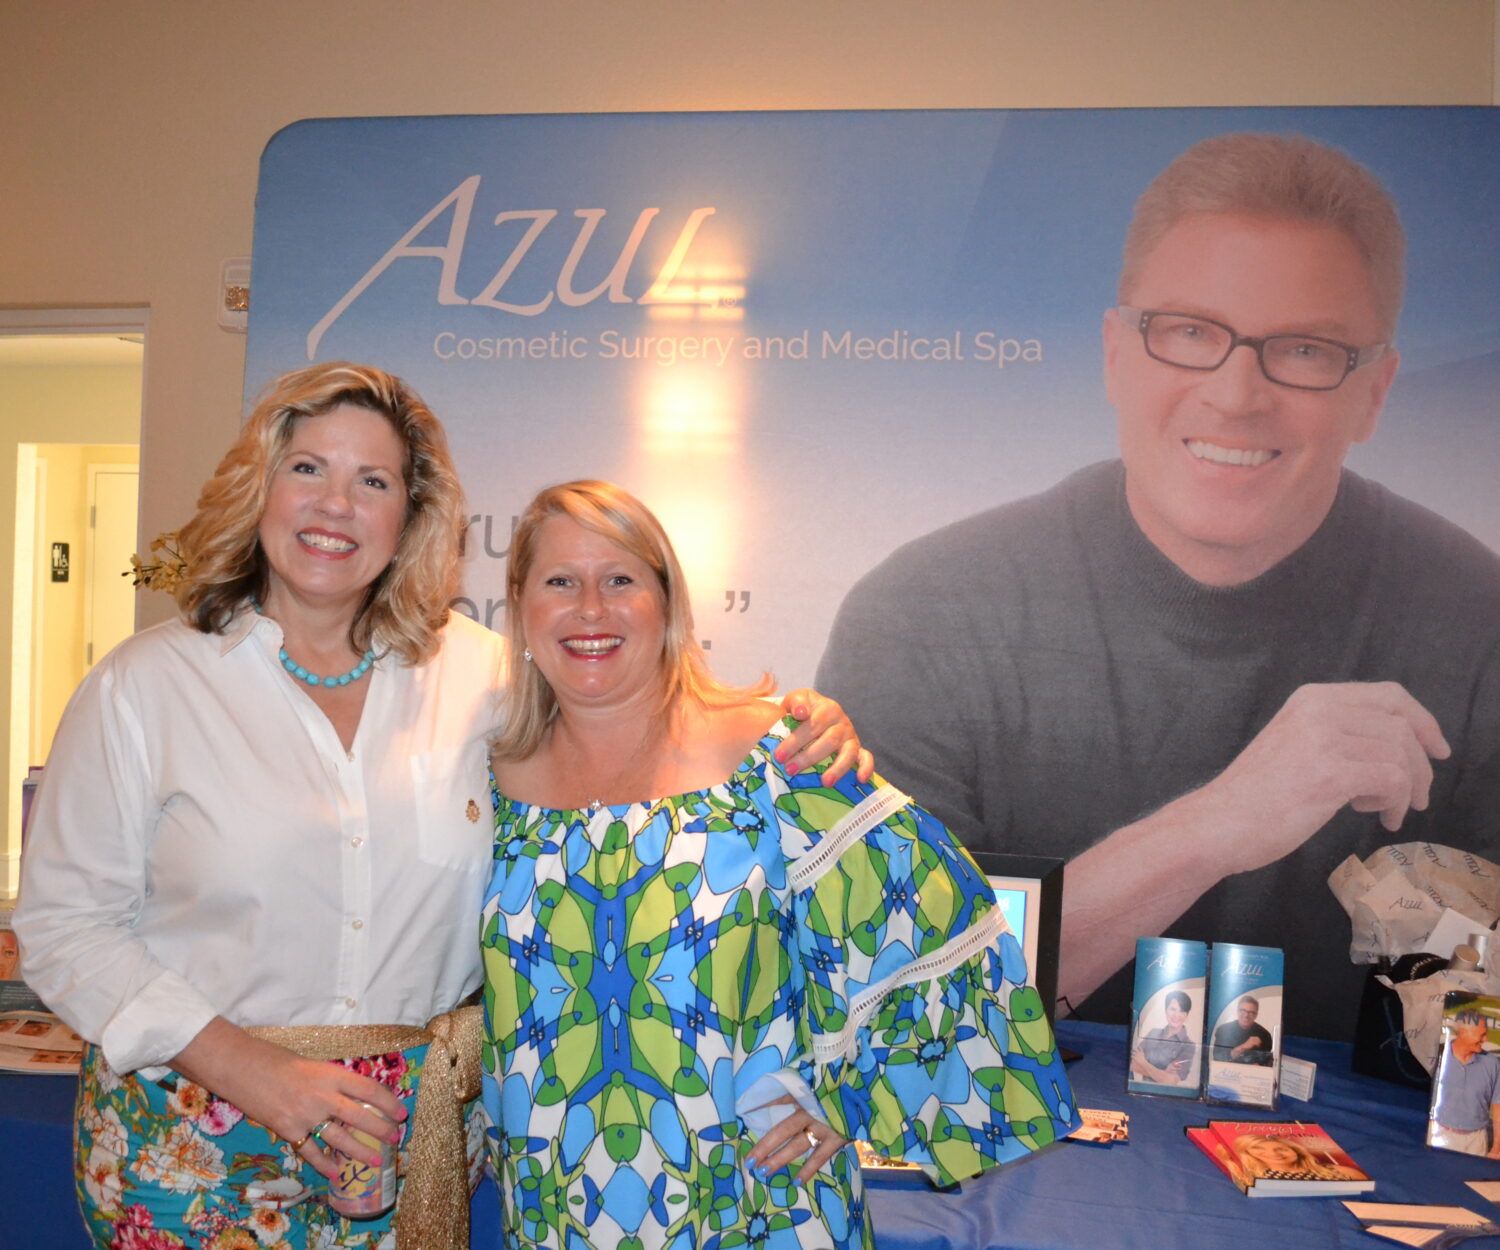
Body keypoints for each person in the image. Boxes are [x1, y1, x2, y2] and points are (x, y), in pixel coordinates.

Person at [13, 363, 866, 1250]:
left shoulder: (484, 676)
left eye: (372, 481)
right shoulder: (144, 688)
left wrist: (784, 728)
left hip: (411, 1142)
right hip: (189, 1137)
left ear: (412, 517)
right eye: (308, 468)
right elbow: (66, 928)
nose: (336, 505)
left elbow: (632, 725)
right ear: (258, 485)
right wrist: (260, 1074)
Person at [816, 130, 1500, 1041]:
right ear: (1115, 354)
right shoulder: (923, 616)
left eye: (1304, 349)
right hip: (986, 1164)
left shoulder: (1476, 623)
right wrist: (1219, 824)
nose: (1236, 394)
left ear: (1374, 392)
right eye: (1189, 333)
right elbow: (882, 1013)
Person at [480, 480, 1077, 1250]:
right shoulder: (487, 784)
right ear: (521, 606)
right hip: (553, 1205)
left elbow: (939, 923)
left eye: (620, 579)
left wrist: (850, 1099)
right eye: (561, 581)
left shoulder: (777, 757)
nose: (591, 608)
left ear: (667, 606)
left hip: (753, 1207)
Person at [1430, 1010, 1500, 1157]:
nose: (1486, 1039)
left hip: (1477, 1141)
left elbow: (1498, 1108)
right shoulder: (1439, 1057)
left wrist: (1496, 1148)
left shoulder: (1493, 1064)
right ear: (1462, 1033)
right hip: (1440, 1135)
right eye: (1481, 1034)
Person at [1220, 1133, 1364, 1184]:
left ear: (1297, 1152)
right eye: (1258, 1148)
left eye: (1281, 1148)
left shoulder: (1338, 1171)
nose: (1274, 1153)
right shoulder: (1253, 1176)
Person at [1131, 989, 1196, 1084]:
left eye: (1182, 1011)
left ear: (1186, 1015)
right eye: (1173, 1009)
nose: (1176, 1015)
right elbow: (1132, 1064)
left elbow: (1171, 1081)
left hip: (1167, 1095)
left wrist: (1143, 1063)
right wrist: (1163, 1073)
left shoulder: (1189, 1046)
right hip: (1142, 1088)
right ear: (1166, 1010)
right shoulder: (1153, 1033)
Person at [1211, 996, 1274, 1066]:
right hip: (1227, 1073)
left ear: (1256, 1015)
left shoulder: (1265, 1035)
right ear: (1237, 1011)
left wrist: (1260, 1066)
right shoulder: (1223, 1030)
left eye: (1251, 1012)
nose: (1246, 1015)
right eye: (1242, 1010)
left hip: (1252, 1075)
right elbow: (1218, 1057)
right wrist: (1244, 1046)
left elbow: (1268, 1063)